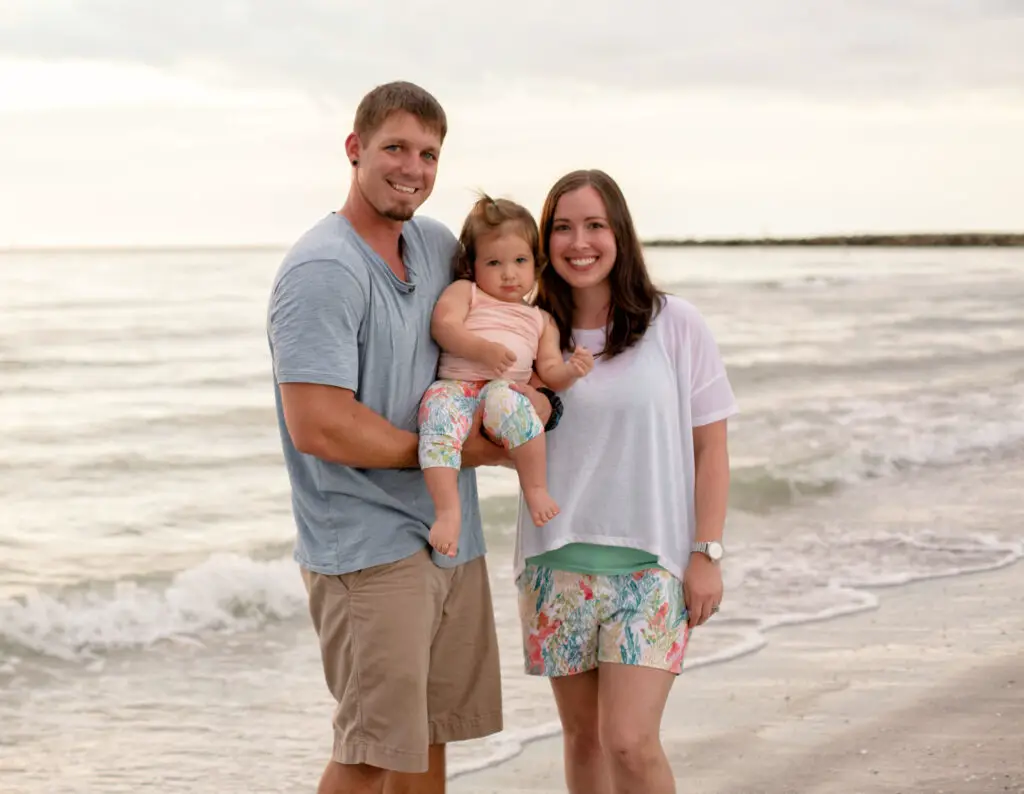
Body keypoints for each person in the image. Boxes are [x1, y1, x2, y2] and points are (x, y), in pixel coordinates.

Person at [266, 81, 554, 794]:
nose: (413, 168)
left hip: (447, 537)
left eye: (428, 153)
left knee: (430, 739)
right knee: (370, 751)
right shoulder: (322, 270)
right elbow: (319, 424)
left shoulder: (432, 246)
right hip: (367, 550)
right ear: (355, 148)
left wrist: (538, 396)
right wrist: (453, 451)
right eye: (395, 147)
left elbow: (506, 314)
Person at [514, 169, 738, 794]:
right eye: (561, 227)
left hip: (652, 568)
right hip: (553, 564)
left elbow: (711, 448)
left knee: (630, 744)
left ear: (620, 234)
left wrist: (707, 553)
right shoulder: (529, 332)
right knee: (584, 741)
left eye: (594, 225)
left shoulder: (676, 324)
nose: (577, 242)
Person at [419, 194, 594, 558]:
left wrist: (571, 371)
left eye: (519, 261)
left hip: (503, 391)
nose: (509, 273)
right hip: (456, 387)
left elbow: (548, 372)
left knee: (518, 410)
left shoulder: (539, 319)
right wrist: (480, 349)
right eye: (494, 262)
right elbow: (443, 325)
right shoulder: (466, 292)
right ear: (473, 266)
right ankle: (448, 512)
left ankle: (534, 488)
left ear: (536, 264)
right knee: (436, 419)